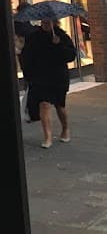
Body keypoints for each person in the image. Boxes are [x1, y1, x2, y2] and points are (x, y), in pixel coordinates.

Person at [21, 18, 76, 148]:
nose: (45, 24)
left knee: (60, 106)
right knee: (44, 104)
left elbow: (70, 56)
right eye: (43, 22)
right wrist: (28, 75)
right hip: (41, 77)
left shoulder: (62, 36)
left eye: (48, 22)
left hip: (58, 77)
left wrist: (59, 44)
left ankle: (65, 128)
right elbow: (26, 56)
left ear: (54, 23)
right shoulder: (34, 37)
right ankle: (48, 137)